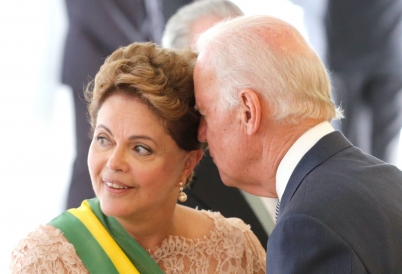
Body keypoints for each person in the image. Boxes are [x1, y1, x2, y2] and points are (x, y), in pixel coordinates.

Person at [9, 42, 266, 273]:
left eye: (141, 148)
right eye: (104, 140)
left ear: (188, 164)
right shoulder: (45, 260)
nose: (113, 163)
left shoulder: (235, 250)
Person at [193, 15, 402, 273]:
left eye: (205, 113)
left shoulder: (305, 227)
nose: (201, 134)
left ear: (248, 112)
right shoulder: (389, 178)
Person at [162, 0, 274, 246]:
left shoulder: (288, 139)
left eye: (246, 55)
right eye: (219, 63)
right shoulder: (174, 183)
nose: (240, 76)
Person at [63, 0, 192, 209]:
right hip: (98, 65)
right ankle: (77, 234)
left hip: (140, 66)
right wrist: (144, 61)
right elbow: (91, 11)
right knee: (95, 163)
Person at [324, 0, 402, 164]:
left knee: (354, 141)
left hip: (367, 54)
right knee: (370, 142)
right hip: (369, 54)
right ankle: (380, 186)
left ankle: (375, 185)